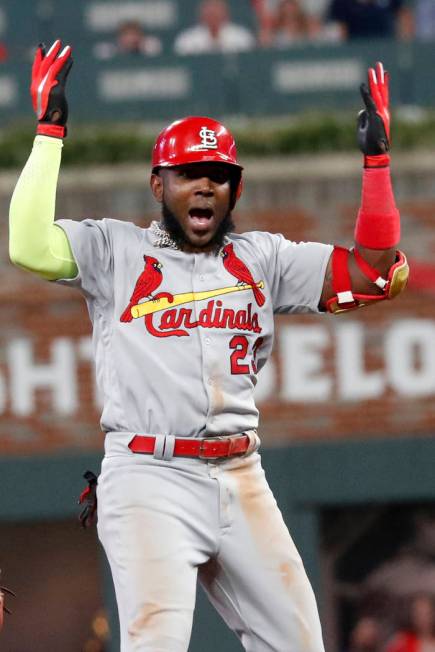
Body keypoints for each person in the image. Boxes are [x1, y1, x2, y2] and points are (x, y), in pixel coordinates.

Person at [9, 39, 408, 652]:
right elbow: (29, 245)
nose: (203, 186)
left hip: (239, 472)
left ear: (236, 190)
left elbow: (372, 275)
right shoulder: (116, 250)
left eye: (218, 175)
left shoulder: (263, 258)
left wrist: (377, 167)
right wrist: (48, 132)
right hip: (148, 474)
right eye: (188, 173)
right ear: (156, 183)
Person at [174, 0, 255, 55]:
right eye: (209, 11)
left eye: (216, 9)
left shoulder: (241, 36)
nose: (213, 14)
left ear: (225, 13)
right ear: (201, 14)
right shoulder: (187, 39)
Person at [327, 0, 413, 41]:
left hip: (386, 47)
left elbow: (403, 15)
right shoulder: (342, 3)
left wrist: (403, 45)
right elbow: (339, 29)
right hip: (356, 49)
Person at [94, 20, 162, 60]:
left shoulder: (149, 48)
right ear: (120, 37)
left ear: (141, 36)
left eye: (134, 34)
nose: (131, 39)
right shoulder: (109, 52)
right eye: (127, 34)